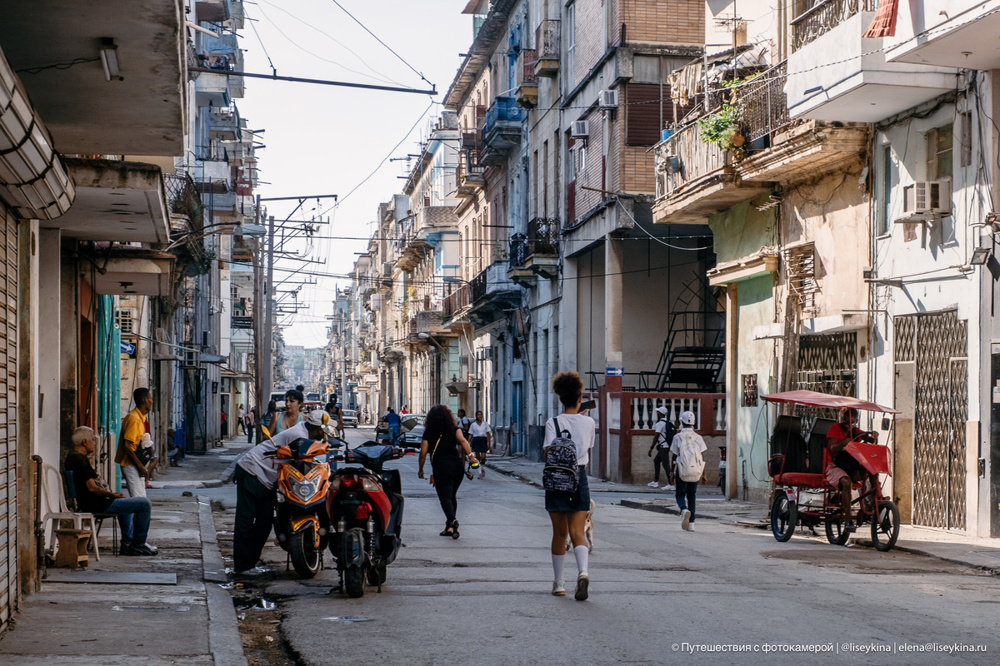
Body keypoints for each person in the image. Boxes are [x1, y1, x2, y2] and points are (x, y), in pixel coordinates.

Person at [232, 409, 330, 573]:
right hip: (252, 470)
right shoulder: (300, 435)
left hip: (265, 478)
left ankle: (249, 563)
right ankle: (242, 565)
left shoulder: (304, 432)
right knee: (246, 520)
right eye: (323, 431)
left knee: (264, 522)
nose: (323, 435)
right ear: (319, 429)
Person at [66, 426, 157, 556]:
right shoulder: (80, 459)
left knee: (125, 504)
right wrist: (112, 495)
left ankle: (127, 544)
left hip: (89, 502)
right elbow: (92, 487)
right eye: (93, 440)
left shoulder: (71, 457)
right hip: (96, 504)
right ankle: (138, 544)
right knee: (144, 503)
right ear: (85, 442)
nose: (95, 442)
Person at [544, 371, 595, 601]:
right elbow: (587, 449)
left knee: (559, 533)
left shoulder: (552, 422)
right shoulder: (589, 422)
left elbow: (547, 452)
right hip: (579, 478)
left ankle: (558, 583)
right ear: (579, 397)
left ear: (560, 398)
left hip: (556, 479)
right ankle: (583, 572)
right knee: (577, 532)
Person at [417, 405, 480, 538]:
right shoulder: (454, 429)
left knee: (444, 497)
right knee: (451, 496)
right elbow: (463, 441)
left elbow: (423, 454)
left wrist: (421, 469)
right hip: (457, 467)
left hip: (441, 467)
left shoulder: (428, 433)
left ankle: (453, 520)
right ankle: (449, 528)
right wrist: (470, 456)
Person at [825, 407, 877, 532]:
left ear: (855, 421)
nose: (849, 425)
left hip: (851, 466)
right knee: (846, 482)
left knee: (873, 471)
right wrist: (844, 443)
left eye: (852, 422)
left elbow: (867, 438)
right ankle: (848, 520)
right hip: (835, 465)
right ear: (842, 420)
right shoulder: (835, 429)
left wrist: (873, 436)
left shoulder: (856, 431)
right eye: (846, 422)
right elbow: (833, 448)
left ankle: (872, 505)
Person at [669, 411, 707, 532]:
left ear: (681, 422)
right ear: (694, 423)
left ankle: (683, 509)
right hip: (696, 471)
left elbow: (674, 456)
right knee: (692, 495)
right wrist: (704, 474)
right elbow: (702, 457)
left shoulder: (677, 437)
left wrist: (671, 472)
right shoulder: (698, 438)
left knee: (680, 494)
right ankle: (692, 524)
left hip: (682, 470)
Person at [116, 387, 154, 498]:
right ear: (145, 400)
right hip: (131, 464)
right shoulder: (134, 419)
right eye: (150, 399)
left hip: (136, 464)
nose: (152, 401)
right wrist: (140, 466)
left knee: (142, 499)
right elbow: (127, 446)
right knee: (139, 500)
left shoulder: (140, 418)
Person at [647, 406, 676, 489]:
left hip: (663, 446)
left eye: (658, 412)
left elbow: (656, 436)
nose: (657, 413)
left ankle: (671, 484)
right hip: (666, 445)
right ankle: (655, 481)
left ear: (661, 413)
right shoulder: (668, 422)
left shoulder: (660, 423)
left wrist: (651, 448)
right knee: (656, 461)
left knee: (666, 464)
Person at [468, 410, 493, 479]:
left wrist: (489, 443)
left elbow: (488, 434)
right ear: (476, 416)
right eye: (478, 415)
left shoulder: (485, 424)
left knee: (483, 457)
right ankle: (480, 472)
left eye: (481, 415)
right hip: (476, 440)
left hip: (483, 440)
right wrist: (467, 442)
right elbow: (470, 434)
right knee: (477, 457)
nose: (480, 416)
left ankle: (482, 467)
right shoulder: (473, 425)